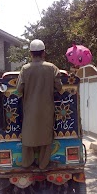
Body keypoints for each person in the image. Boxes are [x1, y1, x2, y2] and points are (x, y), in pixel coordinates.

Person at [16, 39, 62, 169]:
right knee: (46, 137)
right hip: (47, 110)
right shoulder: (52, 68)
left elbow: (19, 90)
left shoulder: (25, 69)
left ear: (31, 53)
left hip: (29, 110)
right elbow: (59, 87)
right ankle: (43, 165)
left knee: (28, 135)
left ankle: (26, 163)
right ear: (44, 53)